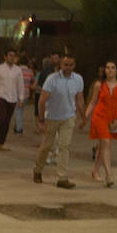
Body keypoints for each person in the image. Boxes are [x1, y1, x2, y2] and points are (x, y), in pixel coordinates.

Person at [33, 54, 85, 189]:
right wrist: (41, 119)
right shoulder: (52, 79)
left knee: (64, 147)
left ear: (74, 65)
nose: (68, 68)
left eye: (71, 65)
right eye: (65, 65)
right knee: (47, 146)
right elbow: (42, 100)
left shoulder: (78, 79)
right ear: (60, 65)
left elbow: (80, 99)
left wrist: (83, 117)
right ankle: (38, 169)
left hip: (68, 117)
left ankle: (62, 177)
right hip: (52, 117)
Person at [86, 61, 117, 188]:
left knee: (102, 145)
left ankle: (95, 170)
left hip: (114, 119)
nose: (109, 70)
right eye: (107, 68)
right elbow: (93, 102)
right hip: (99, 117)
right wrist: (85, 117)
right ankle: (109, 175)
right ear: (104, 70)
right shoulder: (99, 85)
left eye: (113, 68)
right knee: (106, 142)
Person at [0, 48, 24, 151]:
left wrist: (21, 99)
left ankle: (2, 142)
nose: (11, 58)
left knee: (7, 121)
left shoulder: (18, 70)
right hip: (0, 96)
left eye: (13, 56)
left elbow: (20, 85)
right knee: (2, 118)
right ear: (5, 57)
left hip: (12, 97)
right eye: (10, 55)